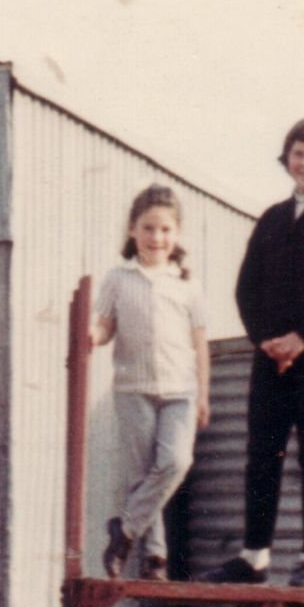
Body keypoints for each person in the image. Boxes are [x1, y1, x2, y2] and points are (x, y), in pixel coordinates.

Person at [199, 118, 304, 587]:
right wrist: (264, 339)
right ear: (286, 160)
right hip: (270, 355)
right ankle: (254, 557)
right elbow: (246, 286)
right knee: (262, 453)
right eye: (299, 153)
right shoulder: (273, 217)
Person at [90, 184, 210, 582]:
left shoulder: (187, 285)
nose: (156, 238)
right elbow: (105, 326)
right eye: (148, 228)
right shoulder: (119, 278)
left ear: (176, 236)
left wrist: (204, 395)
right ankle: (156, 557)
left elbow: (200, 345)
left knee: (175, 462)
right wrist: (93, 335)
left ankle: (123, 532)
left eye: (164, 230)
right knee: (144, 475)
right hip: (133, 388)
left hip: (180, 390)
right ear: (132, 230)